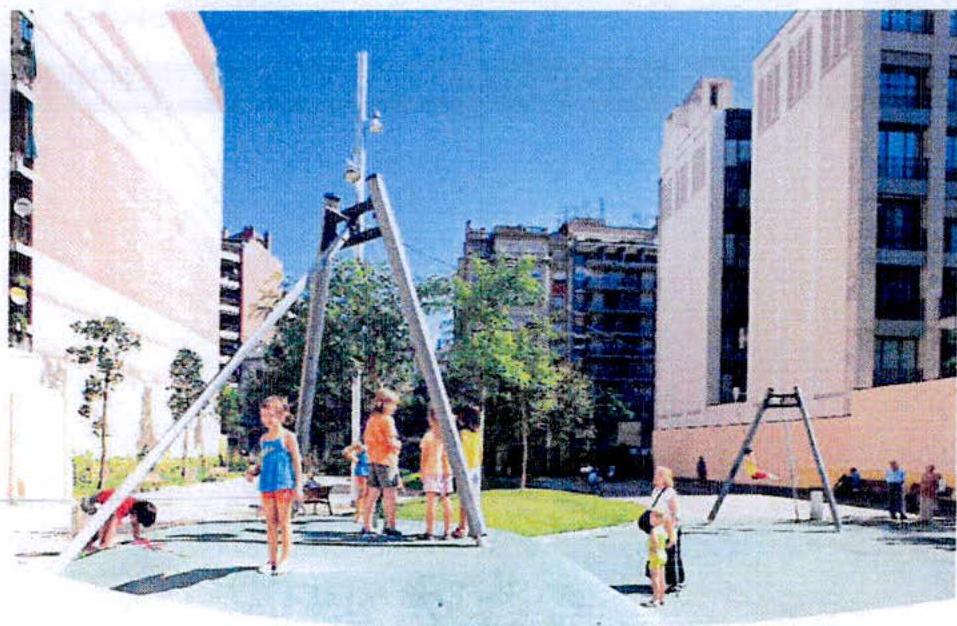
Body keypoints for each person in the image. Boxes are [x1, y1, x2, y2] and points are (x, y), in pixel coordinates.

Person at [245, 396, 304, 575]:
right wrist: (253, 471)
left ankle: (284, 559)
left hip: (284, 484)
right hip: (267, 484)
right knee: (270, 523)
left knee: (284, 522)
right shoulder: (264, 439)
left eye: (271, 415)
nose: (267, 420)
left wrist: (298, 486)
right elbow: (263, 462)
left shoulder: (288, 437)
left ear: (281, 415)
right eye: (264, 416)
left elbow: (297, 462)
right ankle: (271, 560)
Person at [361, 388, 403, 537]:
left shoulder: (372, 420)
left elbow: (367, 439)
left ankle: (367, 524)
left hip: (373, 459)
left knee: (372, 494)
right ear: (384, 404)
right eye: (393, 404)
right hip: (387, 460)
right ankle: (390, 525)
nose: (395, 408)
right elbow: (391, 441)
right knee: (390, 495)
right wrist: (398, 445)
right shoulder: (387, 420)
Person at [80, 489, 157, 552]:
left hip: (100, 500)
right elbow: (112, 525)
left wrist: (137, 536)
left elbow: (135, 522)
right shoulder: (124, 507)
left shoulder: (136, 505)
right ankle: (85, 545)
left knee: (107, 520)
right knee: (105, 523)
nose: (138, 523)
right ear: (136, 513)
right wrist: (105, 544)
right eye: (139, 520)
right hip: (90, 503)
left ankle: (87, 544)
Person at [418, 409, 454, 540]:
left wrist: (422, 471)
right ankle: (447, 531)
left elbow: (424, 456)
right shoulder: (449, 436)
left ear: (431, 419)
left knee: (431, 501)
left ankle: (430, 532)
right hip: (446, 471)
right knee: (446, 500)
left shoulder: (429, 436)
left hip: (432, 470)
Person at [650, 465, 684, 591]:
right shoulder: (655, 491)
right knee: (660, 553)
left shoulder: (670, 493)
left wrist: (672, 529)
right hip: (659, 526)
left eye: (658, 475)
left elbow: (674, 511)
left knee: (672, 554)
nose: (655, 477)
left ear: (664, 478)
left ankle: (675, 582)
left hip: (670, 526)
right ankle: (662, 579)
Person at [451, 404, 483, 539]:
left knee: (464, 500)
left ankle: (463, 526)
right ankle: (474, 526)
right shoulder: (478, 433)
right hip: (475, 467)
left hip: (466, 469)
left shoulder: (462, 434)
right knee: (474, 498)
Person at [640, 510, 676, 608]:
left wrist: (652, 548)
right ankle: (661, 598)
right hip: (663, 554)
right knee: (662, 577)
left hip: (655, 556)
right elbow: (670, 542)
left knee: (655, 578)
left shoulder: (654, 531)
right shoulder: (662, 530)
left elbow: (655, 542)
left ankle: (655, 598)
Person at [343, 442, 371, 524]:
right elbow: (346, 451)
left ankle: (366, 515)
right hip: (362, 471)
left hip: (371, 470)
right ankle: (359, 515)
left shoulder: (375, 445)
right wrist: (354, 458)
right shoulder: (361, 446)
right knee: (363, 493)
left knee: (369, 494)